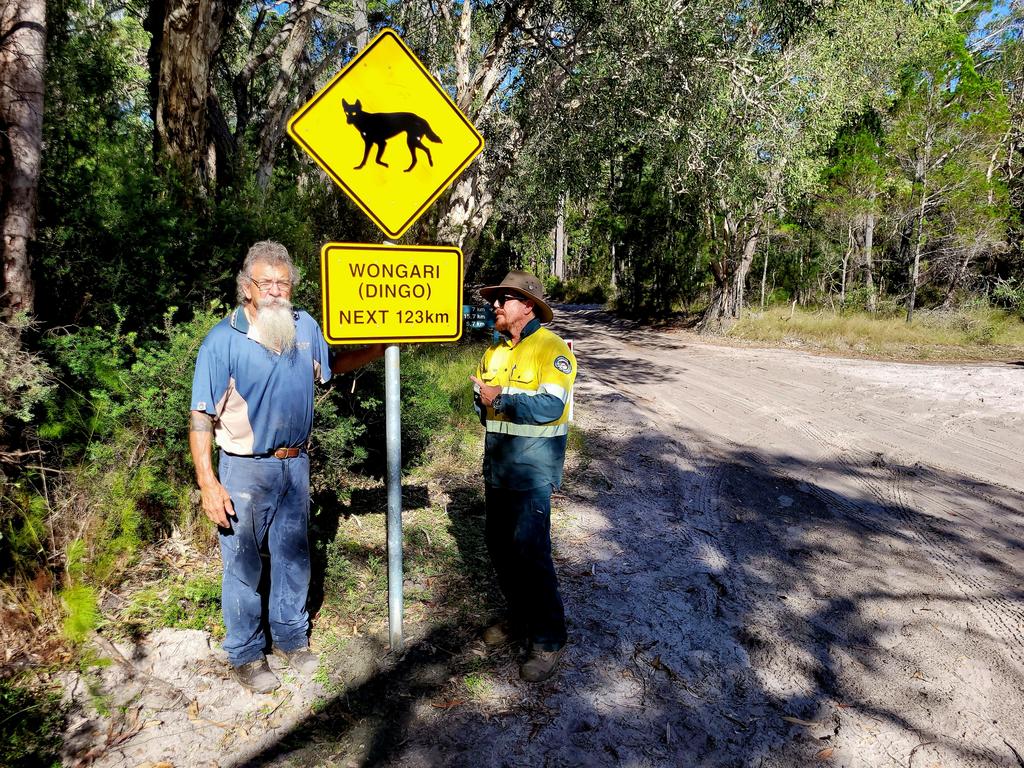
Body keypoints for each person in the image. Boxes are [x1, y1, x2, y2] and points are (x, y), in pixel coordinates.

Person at [190, 241, 383, 693]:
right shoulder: (223, 340)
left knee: (294, 558)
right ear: (247, 288)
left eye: (284, 282)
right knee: (242, 566)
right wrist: (207, 482)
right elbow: (201, 415)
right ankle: (245, 654)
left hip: (295, 466)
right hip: (243, 471)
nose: (277, 291)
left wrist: (377, 349)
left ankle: (291, 640)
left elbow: (330, 365)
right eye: (267, 283)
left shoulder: (304, 326)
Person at [470, 270, 577, 682]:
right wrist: (482, 399)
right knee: (499, 549)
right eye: (495, 299)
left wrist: (503, 399)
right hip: (498, 467)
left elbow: (552, 406)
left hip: (533, 471)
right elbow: (485, 408)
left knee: (531, 555)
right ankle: (518, 619)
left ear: (527, 306)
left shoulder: (551, 349)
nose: (495, 306)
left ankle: (548, 640)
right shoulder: (494, 352)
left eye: (504, 299)